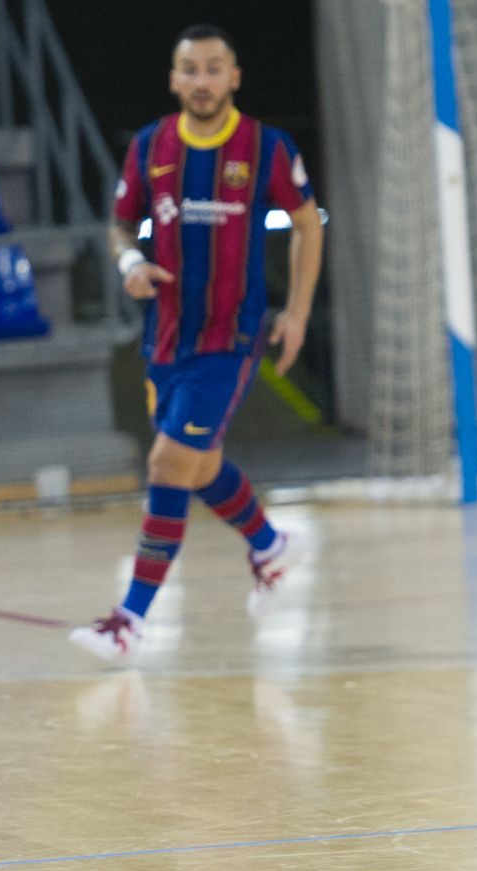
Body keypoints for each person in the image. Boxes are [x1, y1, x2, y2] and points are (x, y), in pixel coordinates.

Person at [70, 25, 324, 662]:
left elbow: (305, 224)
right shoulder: (152, 146)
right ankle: (268, 544)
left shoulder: (266, 147)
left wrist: (295, 312)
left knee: (166, 465)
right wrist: (130, 263)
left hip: (229, 338)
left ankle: (129, 621)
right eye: (191, 69)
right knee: (198, 463)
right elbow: (120, 225)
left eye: (215, 68)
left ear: (235, 76)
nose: (203, 80)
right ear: (175, 79)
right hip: (166, 337)